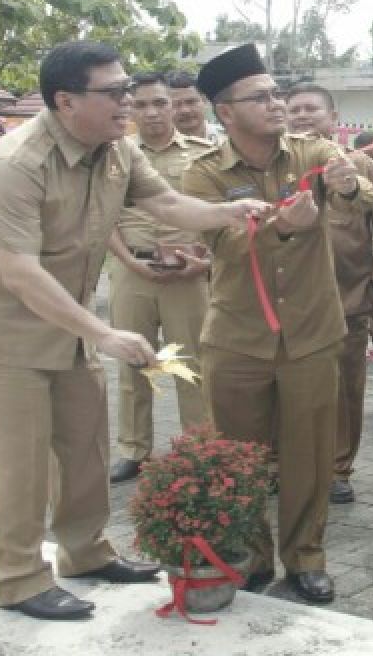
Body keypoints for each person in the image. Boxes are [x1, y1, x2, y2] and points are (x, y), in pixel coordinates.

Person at [0, 40, 270, 621]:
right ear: (66, 101)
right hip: (2, 334)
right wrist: (103, 332)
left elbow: (166, 201)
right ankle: (18, 578)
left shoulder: (116, 150)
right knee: (22, 462)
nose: (131, 103)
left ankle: (85, 552)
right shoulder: (13, 163)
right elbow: (19, 272)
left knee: (85, 448)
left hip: (66, 325)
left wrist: (227, 213)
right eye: (114, 92)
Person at [182, 44, 373, 605]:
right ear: (225, 111)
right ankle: (250, 555)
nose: (276, 104)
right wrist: (283, 228)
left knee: (310, 454)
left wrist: (345, 184)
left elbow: (359, 196)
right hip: (238, 338)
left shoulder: (313, 151)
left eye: (277, 94)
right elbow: (220, 242)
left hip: (312, 335)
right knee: (238, 456)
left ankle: (306, 558)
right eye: (260, 97)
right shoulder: (204, 175)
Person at [285, 81, 373, 505]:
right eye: (293, 109)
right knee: (290, 388)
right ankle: (287, 464)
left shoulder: (359, 167)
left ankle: (337, 469)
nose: (301, 116)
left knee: (344, 390)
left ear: (334, 119)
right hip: (288, 303)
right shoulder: (276, 168)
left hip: (346, 299)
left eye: (311, 109)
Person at [105, 73, 217, 484]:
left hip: (188, 274)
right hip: (131, 270)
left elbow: (217, 217)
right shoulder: (112, 154)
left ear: (174, 105)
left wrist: (203, 264)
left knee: (191, 364)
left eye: (160, 103)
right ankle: (134, 448)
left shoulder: (205, 153)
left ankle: (199, 447)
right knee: (133, 360)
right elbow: (102, 218)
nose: (151, 112)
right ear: (130, 109)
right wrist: (129, 262)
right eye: (141, 104)